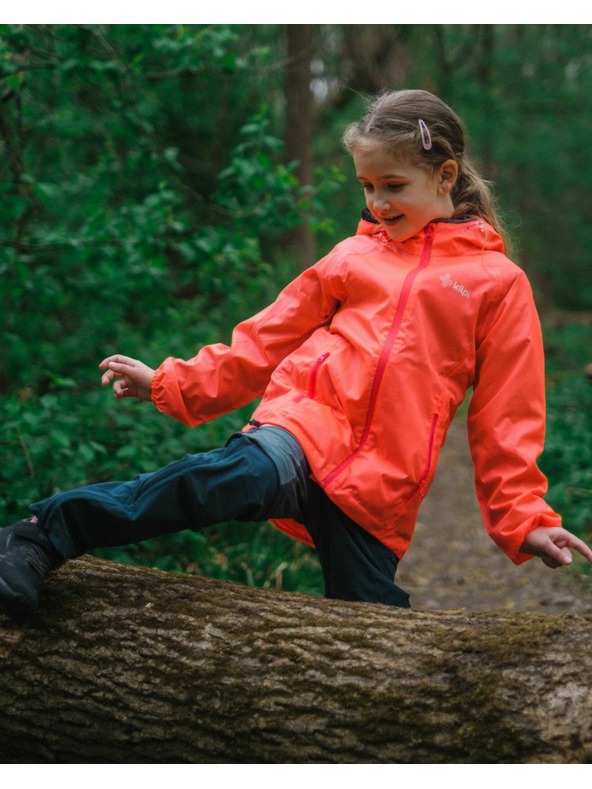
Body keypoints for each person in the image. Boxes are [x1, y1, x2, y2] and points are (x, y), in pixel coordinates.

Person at [1, 89, 591, 627]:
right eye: (366, 186)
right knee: (213, 484)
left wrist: (525, 518)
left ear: (445, 176)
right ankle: (39, 535)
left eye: (393, 185)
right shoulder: (351, 258)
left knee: (375, 632)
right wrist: (172, 383)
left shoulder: (497, 282)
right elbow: (266, 337)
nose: (378, 203)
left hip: (382, 483)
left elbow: (508, 411)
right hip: (303, 429)